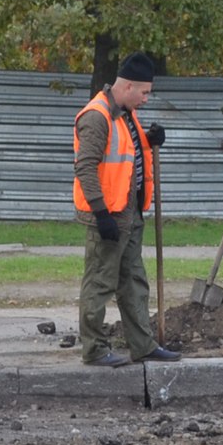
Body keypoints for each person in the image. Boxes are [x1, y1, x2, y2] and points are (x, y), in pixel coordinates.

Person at [74, 52, 180, 366]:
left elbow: (125, 152)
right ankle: (94, 349)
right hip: (107, 216)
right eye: (145, 92)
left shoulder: (124, 113)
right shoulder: (97, 116)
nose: (147, 99)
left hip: (129, 213)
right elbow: (86, 167)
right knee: (100, 282)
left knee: (133, 281)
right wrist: (101, 213)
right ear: (129, 86)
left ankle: (143, 345)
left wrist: (149, 140)